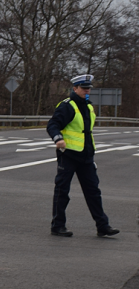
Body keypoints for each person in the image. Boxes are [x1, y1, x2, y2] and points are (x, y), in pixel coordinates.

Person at [46, 74, 119, 238]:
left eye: (89, 88)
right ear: (75, 89)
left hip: (86, 156)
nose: (87, 91)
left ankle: (103, 226)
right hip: (69, 155)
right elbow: (53, 125)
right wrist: (58, 139)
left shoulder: (88, 106)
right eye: (84, 88)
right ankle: (58, 226)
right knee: (62, 190)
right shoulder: (67, 106)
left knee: (93, 192)